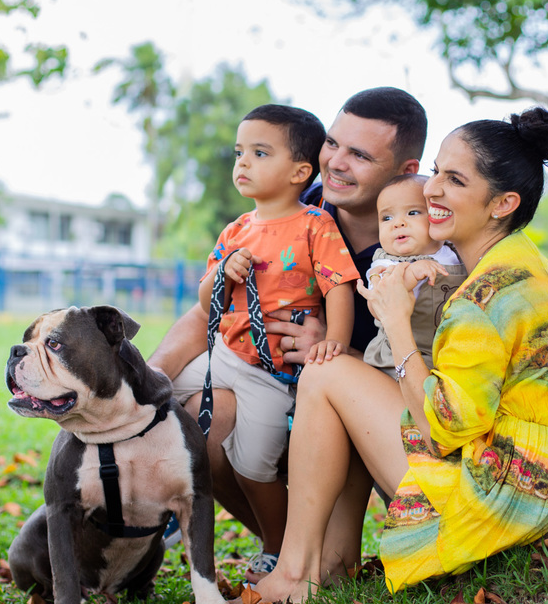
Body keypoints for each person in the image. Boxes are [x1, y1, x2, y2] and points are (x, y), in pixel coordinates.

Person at [255, 107, 548, 604]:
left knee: (327, 375)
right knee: (354, 383)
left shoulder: (485, 296)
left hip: (498, 501)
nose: (430, 189)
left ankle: (295, 572)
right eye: (437, 171)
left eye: (455, 180)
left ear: (503, 203)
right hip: (533, 481)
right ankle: (332, 560)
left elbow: (443, 427)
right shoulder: (520, 263)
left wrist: (395, 322)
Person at [148, 88, 427, 555]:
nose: (336, 162)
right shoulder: (293, 208)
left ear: (406, 171)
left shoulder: (425, 238)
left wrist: (337, 348)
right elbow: (210, 309)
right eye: (333, 143)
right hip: (275, 384)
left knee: (335, 555)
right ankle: (278, 546)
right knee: (204, 417)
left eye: (359, 155)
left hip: (380, 414)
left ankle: (323, 552)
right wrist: (153, 373)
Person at [169, 104, 358, 576]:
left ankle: (277, 543)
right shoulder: (236, 229)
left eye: (259, 152)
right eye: (239, 153)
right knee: (161, 399)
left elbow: (339, 285)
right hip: (226, 353)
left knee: (254, 466)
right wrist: (224, 273)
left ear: (300, 171)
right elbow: (203, 297)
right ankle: (159, 500)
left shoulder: (316, 225)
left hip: (271, 373)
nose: (243, 164)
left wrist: (333, 342)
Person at [359, 174, 465, 377]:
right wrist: (410, 275)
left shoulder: (453, 251)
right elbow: (377, 306)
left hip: (447, 356)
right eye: (386, 218)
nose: (397, 223)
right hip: (396, 360)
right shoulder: (386, 262)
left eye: (413, 212)